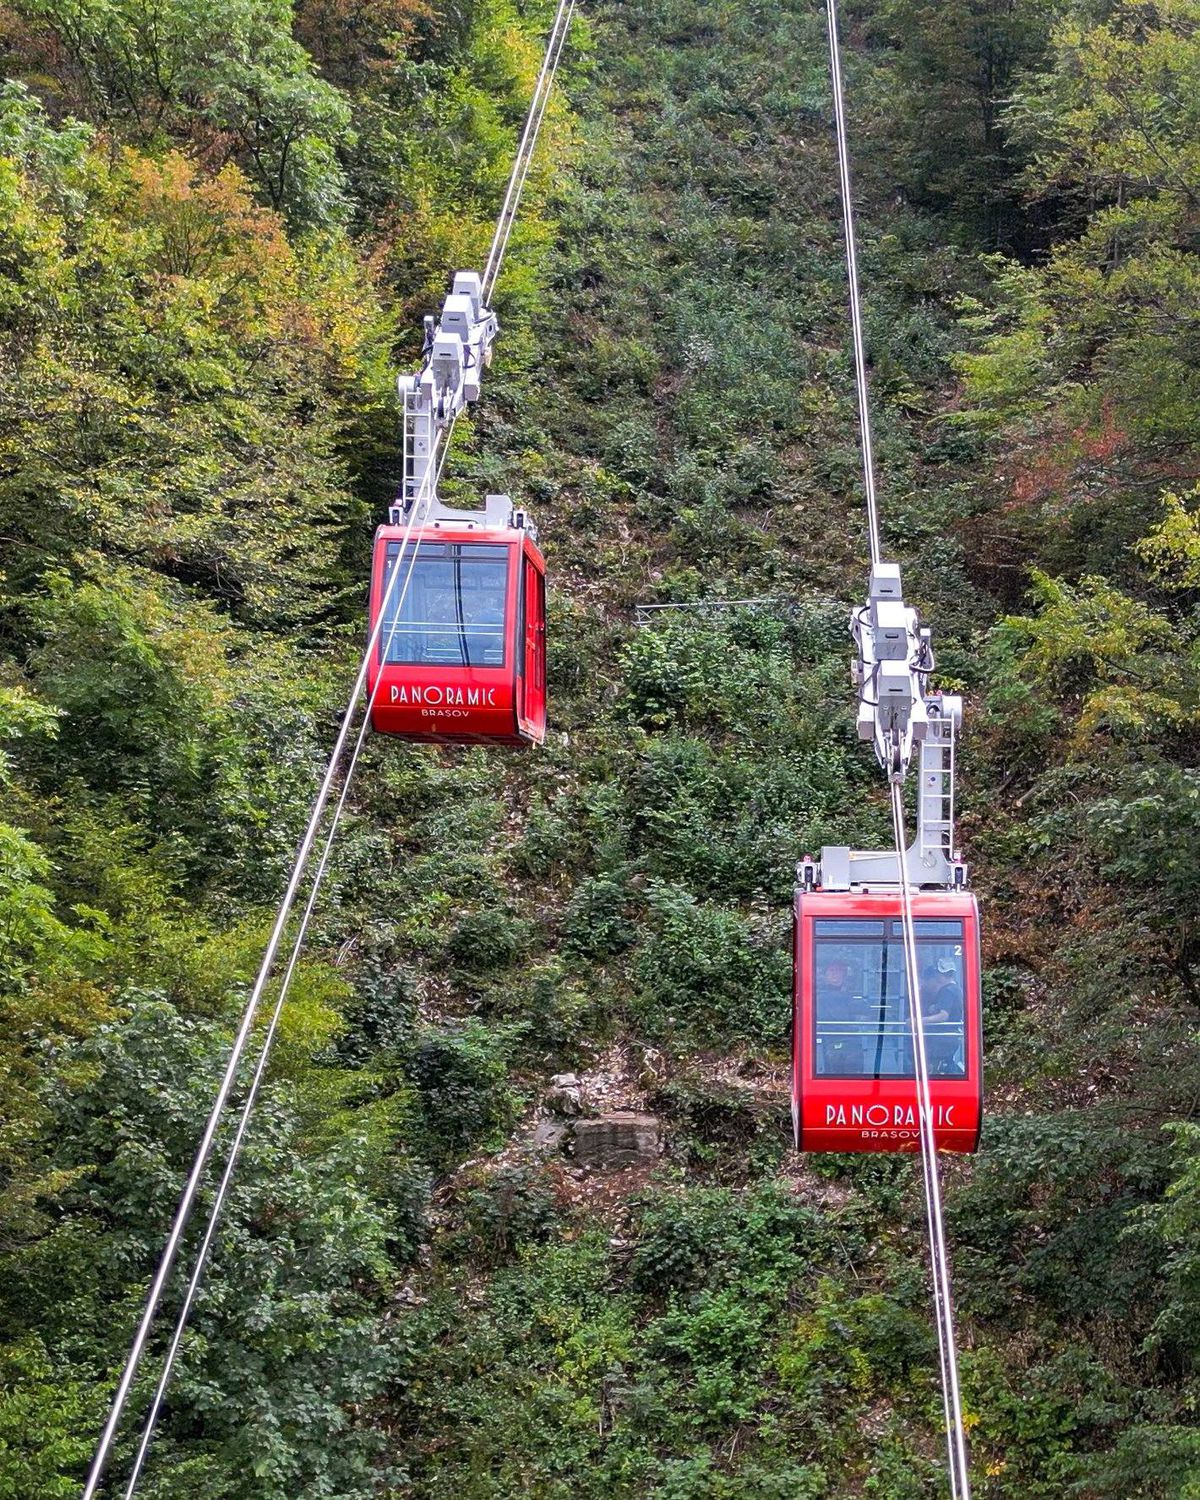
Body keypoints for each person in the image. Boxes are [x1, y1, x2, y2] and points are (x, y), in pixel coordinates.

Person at [816, 956, 871, 1075]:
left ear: (845, 975)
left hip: (851, 1042)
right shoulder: (821, 997)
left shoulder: (850, 996)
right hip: (832, 1040)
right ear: (825, 975)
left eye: (839, 971)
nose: (835, 975)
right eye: (832, 971)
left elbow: (867, 1013)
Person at [920, 957, 964, 1076]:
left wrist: (919, 1021)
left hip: (943, 1038)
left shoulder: (947, 991)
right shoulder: (956, 989)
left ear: (940, 974)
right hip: (951, 1037)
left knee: (936, 1067)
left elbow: (943, 1016)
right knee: (946, 1063)